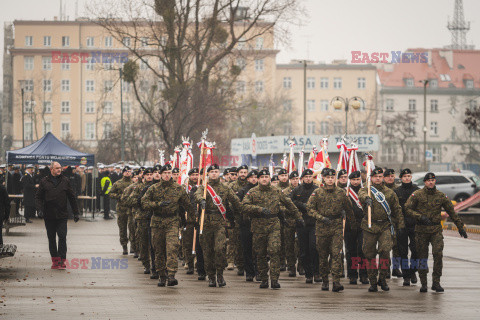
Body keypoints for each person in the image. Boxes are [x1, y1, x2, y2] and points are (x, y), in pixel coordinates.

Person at [406, 172, 468, 293]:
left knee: (438, 254)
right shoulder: (417, 195)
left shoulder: (441, 196)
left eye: (433, 180)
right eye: (428, 180)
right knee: (422, 258)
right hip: (421, 230)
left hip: (435, 231)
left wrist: (460, 227)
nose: (431, 182)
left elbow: (452, 212)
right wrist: (419, 217)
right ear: (425, 182)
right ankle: (423, 283)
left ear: (435, 182)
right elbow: (407, 208)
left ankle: (436, 282)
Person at [242, 169, 304, 289]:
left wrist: (298, 217)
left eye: (266, 176)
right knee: (260, 254)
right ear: (259, 179)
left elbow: (289, 203)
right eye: (262, 177)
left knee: (274, 251)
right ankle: (264, 279)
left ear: (270, 178)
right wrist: (258, 209)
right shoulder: (252, 192)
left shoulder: (276, 191)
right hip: (258, 226)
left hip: (273, 225)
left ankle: (274, 279)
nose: (264, 179)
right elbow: (244, 206)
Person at [142, 164, 194, 287]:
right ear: (160, 174)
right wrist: (157, 204)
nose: (167, 175)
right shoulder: (153, 188)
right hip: (157, 222)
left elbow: (187, 205)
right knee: (159, 250)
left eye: (169, 173)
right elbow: (144, 203)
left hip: (172, 221)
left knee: (172, 248)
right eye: (164, 173)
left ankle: (171, 275)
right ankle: (161, 275)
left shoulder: (178, 188)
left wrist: (193, 220)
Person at [307, 168, 356, 292]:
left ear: (335, 178)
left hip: (336, 227)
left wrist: (353, 225)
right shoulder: (317, 193)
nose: (330, 179)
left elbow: (349, 209)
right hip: (322, 228)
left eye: (332, 177)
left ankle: (336, 281)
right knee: (323, 256)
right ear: (323, 178)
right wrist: (320, 217)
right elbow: (310, 209)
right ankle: (324, 280)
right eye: (327, 177)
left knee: (336, 254)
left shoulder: (341, 192)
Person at [195, 164, 242, 287]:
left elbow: (236, 201)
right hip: (206, 222)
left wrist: (242, 212)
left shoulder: (225, 188)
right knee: (207, 251)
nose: (214, 174)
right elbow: (197, 195)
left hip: (220, 223)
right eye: (212, 172)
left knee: (220, 249)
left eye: (216, 171)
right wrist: (201, 200)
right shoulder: (204, 187)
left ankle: (220, 274)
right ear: (208, 174)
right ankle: (211, 276)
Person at [358, 167, 404, 292]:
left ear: (382, 178)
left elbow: (397, 209)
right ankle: (373, 282)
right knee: (369, 254)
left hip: (384, 226)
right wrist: (366, 199)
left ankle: (382, 279)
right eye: (375, 177)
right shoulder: (366, 190)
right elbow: (361, 194)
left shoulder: (389, 193)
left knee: (385, 251)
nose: (377, 179)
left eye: (380, 177)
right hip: (369, 226)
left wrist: (400, 226)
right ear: (371, 178)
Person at [35, 162, 80, 269]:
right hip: (49, 215)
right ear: (51, 169)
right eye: (57, 168)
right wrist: (39, 210)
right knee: (51, 238)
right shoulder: (44, 181)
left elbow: (72, 197)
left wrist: (76, 212)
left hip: (62, 215)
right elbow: (38, 197)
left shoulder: (65, 181)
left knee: (62, 236)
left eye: (60, 168)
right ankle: (55, 260)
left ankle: (62, 260)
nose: (59, 170)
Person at [291, 169, 320, 284]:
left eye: (310, 176)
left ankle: (317, 273)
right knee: (304, 250)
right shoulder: (297, 190)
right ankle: (308, 274)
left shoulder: (317, 190)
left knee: (314, 248)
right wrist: (301, 205)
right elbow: (290, 201)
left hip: (314, 223)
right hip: (301, 224)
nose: (308, 178)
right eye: (306, 176)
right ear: (302, 178)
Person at [394, 168, 419, 286]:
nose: (407, 178)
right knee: (402, 251)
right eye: (405, 176)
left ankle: (412, 271)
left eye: (409, 176)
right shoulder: (396, 191)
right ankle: (406, 276)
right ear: (401, 178)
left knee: (415, 250)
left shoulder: (417, 191)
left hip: (414, 224)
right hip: (401, 224)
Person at [343, 171, 369, 285]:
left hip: (363, 224)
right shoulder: (346, 192)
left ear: (360, 180)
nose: (355, 182)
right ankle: (352, 275)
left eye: (357, 179)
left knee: (363, 251)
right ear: (350, 180)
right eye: (353, 180)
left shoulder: (366, 191)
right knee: (351, 251)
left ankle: (364, 275)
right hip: (349, 225)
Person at [236, 169, 259, 281]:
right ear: (248, 179)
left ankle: (259, 271)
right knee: (247, 249)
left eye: (256, 177)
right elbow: (236, 206)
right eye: (252, 177)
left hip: (260, 224)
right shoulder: (243, 191)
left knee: (259, 249)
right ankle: (249, 272)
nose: (254, 179)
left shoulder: (262, 190)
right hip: (246, 224)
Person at [228, 165, 248, 275]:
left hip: (247, 218)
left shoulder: (250, 185)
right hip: (236, 216)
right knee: (233, 240)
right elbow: (229, 201)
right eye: (241, 172)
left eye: (245, 172)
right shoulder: (232, 186)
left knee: (245, 242)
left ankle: (245, 264)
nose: (243, 174)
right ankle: (231, 261)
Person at [109, 166, 133, 255]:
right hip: (121, 209)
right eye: (126, 171)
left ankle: (133, 246)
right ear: (123, 173)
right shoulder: (118, 183)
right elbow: (110, 193)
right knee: (122, 229)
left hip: (131, 210)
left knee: (132, 229)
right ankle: (124, 246)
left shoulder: (133, 183)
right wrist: (119, 196)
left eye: (129, 171)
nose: (127, 173)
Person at [284, 170, 300, 277]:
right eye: (293, 179)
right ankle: (291, 266)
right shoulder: (285, 192)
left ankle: (301, 265)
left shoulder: (302, 190)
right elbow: (281, 205)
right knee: (289, 244)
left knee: (300, 244)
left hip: (301, 221)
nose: (295, 181)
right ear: (290, 180)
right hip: (289, 221)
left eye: (297, 179)